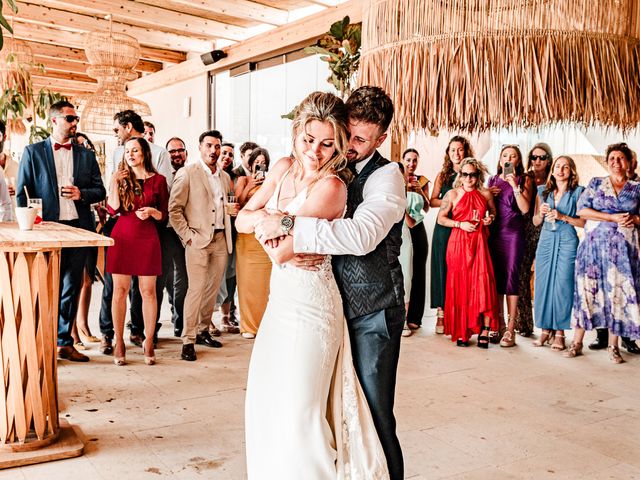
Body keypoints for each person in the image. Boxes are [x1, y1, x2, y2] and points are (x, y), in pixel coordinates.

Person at [252, 86, 406, 479]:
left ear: (381, 138)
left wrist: (288, 225)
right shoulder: (321, 168)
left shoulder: (387, 176)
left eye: (360, 139)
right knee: (326, 408)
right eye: (346, 135)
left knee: (372, 412)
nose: (349, 146)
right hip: (324, 302)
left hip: (373, 307)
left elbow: (360, 236)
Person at [16, 100, 106, 362]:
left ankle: (64, 342)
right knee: (46, 286)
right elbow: (23, 193)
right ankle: (40, 343)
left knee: (71, 286)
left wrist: (82, 194)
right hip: (47, 230)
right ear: (54, 120)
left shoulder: (86, 156)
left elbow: (100, 191)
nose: (74, 123)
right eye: (70, 119)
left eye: (76, 119)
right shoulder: (33, 152)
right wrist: (31, 228)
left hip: (78, 228)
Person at [100, 110, 172, 354]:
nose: (130, 155)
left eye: (135, 151)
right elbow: (113, 208)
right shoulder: (120, 178)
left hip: (148, 238)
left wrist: (152, 212)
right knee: (118, 292)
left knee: (148, 292)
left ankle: (149, 341)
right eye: (127, 151)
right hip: (122, 235)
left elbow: (165, 215)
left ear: (144, 154)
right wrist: (113, 181)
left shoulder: (159, 180)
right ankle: (119, 342)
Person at [566, 143, 640, 364]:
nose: (616, 162)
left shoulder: (637, 188)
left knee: (618, 293)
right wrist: (611, 217)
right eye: (612, 158)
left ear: (628, 162)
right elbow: (582, 210)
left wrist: (634, 219)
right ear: (607, 162)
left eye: (620, 158)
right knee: (588, 292)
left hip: (623, 252)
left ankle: (613, 346)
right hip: (593, 248)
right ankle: (577, 342)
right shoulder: (596, 183)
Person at [169, 130, 236, 362]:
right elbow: (174, 209)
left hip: (220, 238)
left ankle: (203, 330)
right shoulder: (187, 173)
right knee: (195, 290)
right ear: (200, 147)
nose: (214, 151)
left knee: (212, 290)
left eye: (217, 146)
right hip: (197, 239)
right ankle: (187, 340)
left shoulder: (225, 177)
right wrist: (188, 237)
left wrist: (231, 213)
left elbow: (226, 205)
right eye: (209, 145)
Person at [438, 157, 498, 347]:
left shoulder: (485, 194)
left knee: (483, 283)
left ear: (477, 175)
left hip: (479, 243)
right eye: (465, 174)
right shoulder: (452, 194)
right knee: (461, 285)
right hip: (458, 243)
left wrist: (489, 220)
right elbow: (441, 219)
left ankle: (485, 330)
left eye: (473, 174)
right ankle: (462, 329)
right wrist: (459, 224)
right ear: (460, 175)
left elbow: (493, 214)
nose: (469, 178)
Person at [532, 156, 585, 351]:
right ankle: (545, 330)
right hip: (545, 240)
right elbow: (535, 221)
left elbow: (584, 222)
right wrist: (542, 213)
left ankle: (560, 332)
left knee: (562, 285)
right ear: (552, 170)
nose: (561, 170)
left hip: (567, 239)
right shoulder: (542, 192)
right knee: (543, 284)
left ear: (571, 171)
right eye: (557, 166)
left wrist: (563, 216)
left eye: (566, 167)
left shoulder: (579, 192)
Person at [487, 145, 533, 347]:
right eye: (505, 155)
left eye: (513, 156)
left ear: (518, 160)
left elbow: (524, 209)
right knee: (496, 278)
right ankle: (499, 324)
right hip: (495, 233)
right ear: (499, 159)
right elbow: (488, 208)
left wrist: (515, 186)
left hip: (514, 234)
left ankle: (511, 329)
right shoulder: (493, 180)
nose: (508, 159)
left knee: (511, 278)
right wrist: (487, 194)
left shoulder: (525, 180)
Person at [430, 136, 473, 334]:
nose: (457, 153)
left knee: (462, 270)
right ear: (448, 153)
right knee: (442, 268)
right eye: (453, 150)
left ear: (466, 151)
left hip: (466, 230)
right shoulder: (443, 175)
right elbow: (432, 201)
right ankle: (441, 315)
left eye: (460, 149)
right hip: (445, 227)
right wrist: (452, 200)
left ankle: (460, 315)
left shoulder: (472, 173)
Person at [234, 147, 273, 339]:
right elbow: (238, 203)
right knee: (248, 282)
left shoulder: (271, 181)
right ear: (251, 164)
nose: (260, 164)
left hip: (263, 234)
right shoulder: (242, 180)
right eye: (257, 161)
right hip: (246, 237)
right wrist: (250, 186)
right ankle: (248, 325)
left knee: (265, 283)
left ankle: (266, 324)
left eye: (263, 161)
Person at [516, 143, 553, 337]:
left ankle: (550, 326)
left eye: (542, 157)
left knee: (547, 276)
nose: (537, 161)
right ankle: (524, 323)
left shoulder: (553, 178)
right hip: (526, 227)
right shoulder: (525, 178)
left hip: (550, 228)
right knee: (522, 273)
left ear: (549, 159)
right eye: (534, 157)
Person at [69, 132, 101, 349]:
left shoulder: (89, 163)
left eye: (86, 144)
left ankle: (83, 324)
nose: (85, 147)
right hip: (69, 226)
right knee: (74, 282)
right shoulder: (68, 164)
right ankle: (72, 333)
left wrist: (84, 194)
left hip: (88, 223)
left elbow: (99, 191)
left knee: (88, 280)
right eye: (80, 144)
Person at [400, 148, 429, 335]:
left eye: (415, 160)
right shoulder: (396, 179)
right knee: (404, 271)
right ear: (403, 160)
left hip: (418, 228)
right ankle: (401, 316)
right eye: (408, 160)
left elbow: (426, 207)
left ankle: (415, 317)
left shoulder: (423, 181)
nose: (411, 164)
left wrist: (420, 191)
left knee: (418, 271)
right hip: (403, 227)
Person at [164, 137, 189, 337]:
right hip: (166, 230)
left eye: (180, 150)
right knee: (165, 278)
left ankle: (180, 321)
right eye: (172, 151)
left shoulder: (192, 174)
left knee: (182, 278)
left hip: (186, 232)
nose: (177, 154)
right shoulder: (162, 176)